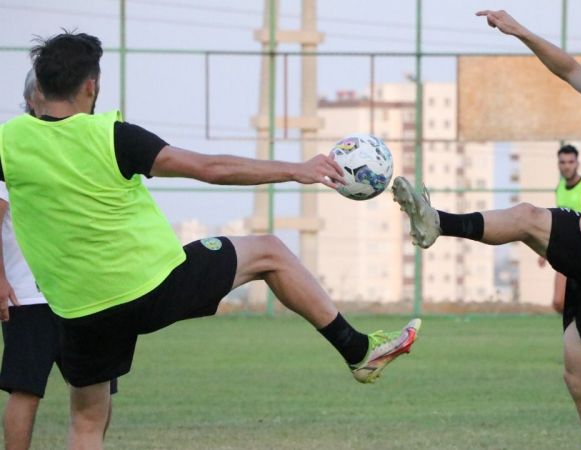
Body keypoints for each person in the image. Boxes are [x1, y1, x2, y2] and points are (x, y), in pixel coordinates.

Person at [0, 32, 420, 449]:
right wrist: (296, 169)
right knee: (270, 251)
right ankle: (357, 350)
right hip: (154, 287)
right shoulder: (111, 135)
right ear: (91, 85)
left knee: (86, 423)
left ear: (38, 85)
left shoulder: (10, 142)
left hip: (80, 310)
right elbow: (212, 168)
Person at [393, 10, 581, 450]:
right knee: (580, 377)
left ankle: (437, 222)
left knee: (526, 217)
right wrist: (520, 31)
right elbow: (564, 67)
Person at [0, 69, 117, 450]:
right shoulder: (13, 147)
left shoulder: (79, 145)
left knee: (96, 390)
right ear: (33, 99)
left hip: (83, 293)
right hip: (28, 295)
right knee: (26, 389)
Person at [538, 145, 581, 313]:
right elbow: (558, 223)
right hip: (565, 252)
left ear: (577, 163)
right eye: (562, 162)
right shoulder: (559, 188)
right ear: (558, 164)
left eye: (570, 161)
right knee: (558, 302)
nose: (566, 166)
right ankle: (574, 329)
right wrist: (544, 251)